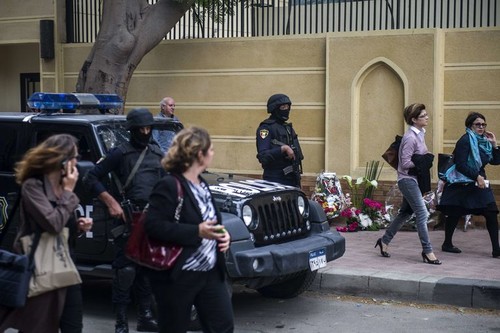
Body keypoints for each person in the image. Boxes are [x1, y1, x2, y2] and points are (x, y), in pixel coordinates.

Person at [0, 134, 93, 333]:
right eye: (74, 157)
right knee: (38, 327)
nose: (77, 162)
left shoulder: (62, 187)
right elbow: (52, 223)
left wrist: (78, 226)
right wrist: (69, 192)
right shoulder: (33, 186)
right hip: (40, 267)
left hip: (66, 265)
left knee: (73, 326)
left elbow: (63, 227)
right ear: (61, 160)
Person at [145, 126, 234, 333]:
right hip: (178, 273)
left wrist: (223, 235)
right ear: (199, 154)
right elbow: (154, 226)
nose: (213, 154)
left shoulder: (202, 184)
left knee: (223, 326)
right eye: (210, 150)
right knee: (174, 328)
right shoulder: (169, 184)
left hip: (210, 271)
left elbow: (210, 221)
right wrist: (196, 232)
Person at [83, 108, 162, 333]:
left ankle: (145, 316)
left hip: (151, 219)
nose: (145, 132)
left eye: (148, 128)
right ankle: (121, 321)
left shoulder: (157, 153)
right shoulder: (120, 153)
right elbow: (92, 177)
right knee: (125, 271)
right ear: (132, 130)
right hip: (128, 220)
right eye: (141, 129)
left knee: (147, 269)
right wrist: (110, 202)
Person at [374, 103, 441, 265]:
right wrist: (423, 160)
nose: (427, 118)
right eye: (423, 116)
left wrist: (423, 159)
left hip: (415, 180)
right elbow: (404, 163)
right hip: (407, 180)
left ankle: (384, 241)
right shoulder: (410, 137)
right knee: (422, 214)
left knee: (405, 213)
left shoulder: (420, 134)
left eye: (426, 115)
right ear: (414, 119)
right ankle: (427, 251)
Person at [438, 112, 500, 258]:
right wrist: (476, 176)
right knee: (454, 212)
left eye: (484, 124)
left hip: (478, 183)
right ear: (470, 125)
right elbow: (460, 164)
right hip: (462, 184)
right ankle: (447, 244)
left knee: (491, 212)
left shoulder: (484, 141)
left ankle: (496, 249)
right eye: (477, 124)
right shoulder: (465, 141)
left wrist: (494, 145)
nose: (481, 127)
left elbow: (495, 161)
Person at [256, 93, 304, 188]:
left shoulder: (287, 128)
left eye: (287, 107)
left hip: (292, 179)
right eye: (283, 107)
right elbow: (263, 156)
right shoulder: (265, 128)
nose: (286, 110)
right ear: (274, 109)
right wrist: (283, 149)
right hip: (275, 180)